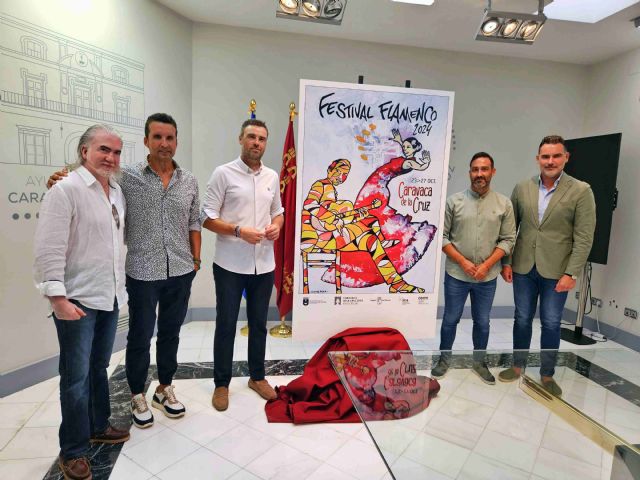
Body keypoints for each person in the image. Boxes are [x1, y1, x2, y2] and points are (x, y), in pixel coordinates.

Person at [47, 113, 202, 429]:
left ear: (176, 141)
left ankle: (164, 388)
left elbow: (194, 222)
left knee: (171, 333)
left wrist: (196, 261)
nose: (164, 143)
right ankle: (137, 394)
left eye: (169, 137)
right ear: (146, 141)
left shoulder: (189, 180)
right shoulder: (126, 177)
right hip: (142, 272)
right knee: (140, 335)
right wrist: (60, 178)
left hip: (181, 270)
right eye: (157, 137)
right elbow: (90, 181)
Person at [35, 124, 130, 480]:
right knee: (75, 378)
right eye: (104, 149)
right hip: (77, 300)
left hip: (109, 295)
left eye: (116, 152)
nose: (111, 157)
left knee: (98, 366)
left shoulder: (116, 192)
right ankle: (73, 450)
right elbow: (49, 248)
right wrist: (57, 298)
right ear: (84, 151)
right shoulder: (66, 190)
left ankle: (98, 425)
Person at [499, 135, 596, 395]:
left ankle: (547, 374)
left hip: (557, 271)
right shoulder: (523, 188)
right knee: (521, 318)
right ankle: (517, 365)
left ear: (566, 157)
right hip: (523, 268)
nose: (550, 161)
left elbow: (584, 237)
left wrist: (571, 272)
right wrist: (507, 261)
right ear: (538, 159)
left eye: (556, 156)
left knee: (552, 323)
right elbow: (510, 229)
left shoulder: (581, 191)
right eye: (545, 156)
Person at [201, 119, 284, 412]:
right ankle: (221, 384)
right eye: (251, 137)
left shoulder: (272, 176)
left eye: (262, 138)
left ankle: (257, 377)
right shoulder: (223, 173)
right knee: (226, 324)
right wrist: (238, 231)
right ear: (241, 139)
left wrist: (276, 226)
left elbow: (278, 212)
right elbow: (206, 217)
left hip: (264, 264)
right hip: (230, 265)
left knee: (259, 324)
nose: (256, 143)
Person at [431, 152, 516, 384]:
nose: (480, 174)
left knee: (482, 322)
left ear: (492, 172)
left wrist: (487, 265)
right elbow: (442, 237)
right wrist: (463, 261)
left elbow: (508, 239)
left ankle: (479, 362)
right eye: (475, 169)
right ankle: (444, 360)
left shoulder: (504, 204)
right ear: (470, 172)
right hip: (457, 275)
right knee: (450, 319)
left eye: (484, 169)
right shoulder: (454, 202)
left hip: (486, 278)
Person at [301, 158, 425, 293]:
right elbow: (309, 204)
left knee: (371, 238)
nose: (341, 177)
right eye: (338, 172)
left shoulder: (331, 190)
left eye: (345, 174)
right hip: (316, 236)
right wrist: (334, 220)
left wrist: (362, 212)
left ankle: (396, 283)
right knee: (368, 229)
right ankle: (396, 281)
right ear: (329, 170)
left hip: (331, 235)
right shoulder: (321, 185)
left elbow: (340, 216)